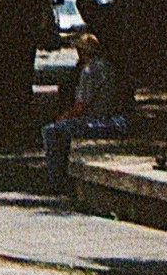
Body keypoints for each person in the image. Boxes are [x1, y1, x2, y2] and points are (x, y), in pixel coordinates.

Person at [42, 29, 127, 197]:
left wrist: (61, 117)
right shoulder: (107, 67)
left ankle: (56, 179)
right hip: (116, 119)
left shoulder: (89, 71)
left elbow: (80, 106)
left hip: (98, 121)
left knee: (52, 130)